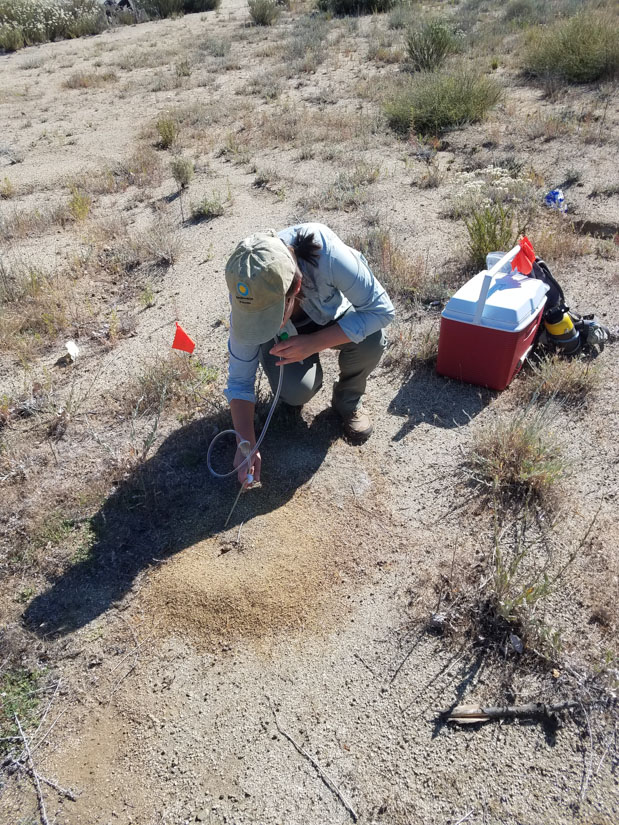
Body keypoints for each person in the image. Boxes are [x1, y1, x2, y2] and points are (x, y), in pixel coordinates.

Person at [224, 222, 395, 484]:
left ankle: (348, 401)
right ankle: (290, 396)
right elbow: (239, 380)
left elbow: (382, 310)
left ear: (296, 288)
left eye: (270, 317)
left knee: (372, 339)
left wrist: (314, 342)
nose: (262, 325)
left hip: (333, 318)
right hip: (289, 340)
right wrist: (245, 444)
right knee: (296, 389)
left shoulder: (328, 254)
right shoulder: (248, 288)